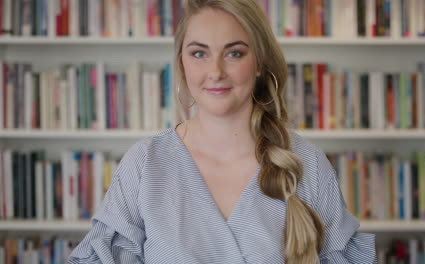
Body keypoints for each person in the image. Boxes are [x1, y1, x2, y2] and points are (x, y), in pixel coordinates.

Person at [68, 0, 376, 263]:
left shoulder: (307, 164)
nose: (215, 71)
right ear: (182, 64)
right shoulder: (145, 164)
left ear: (259, 63)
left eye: (234, 53)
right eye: (199, 53)